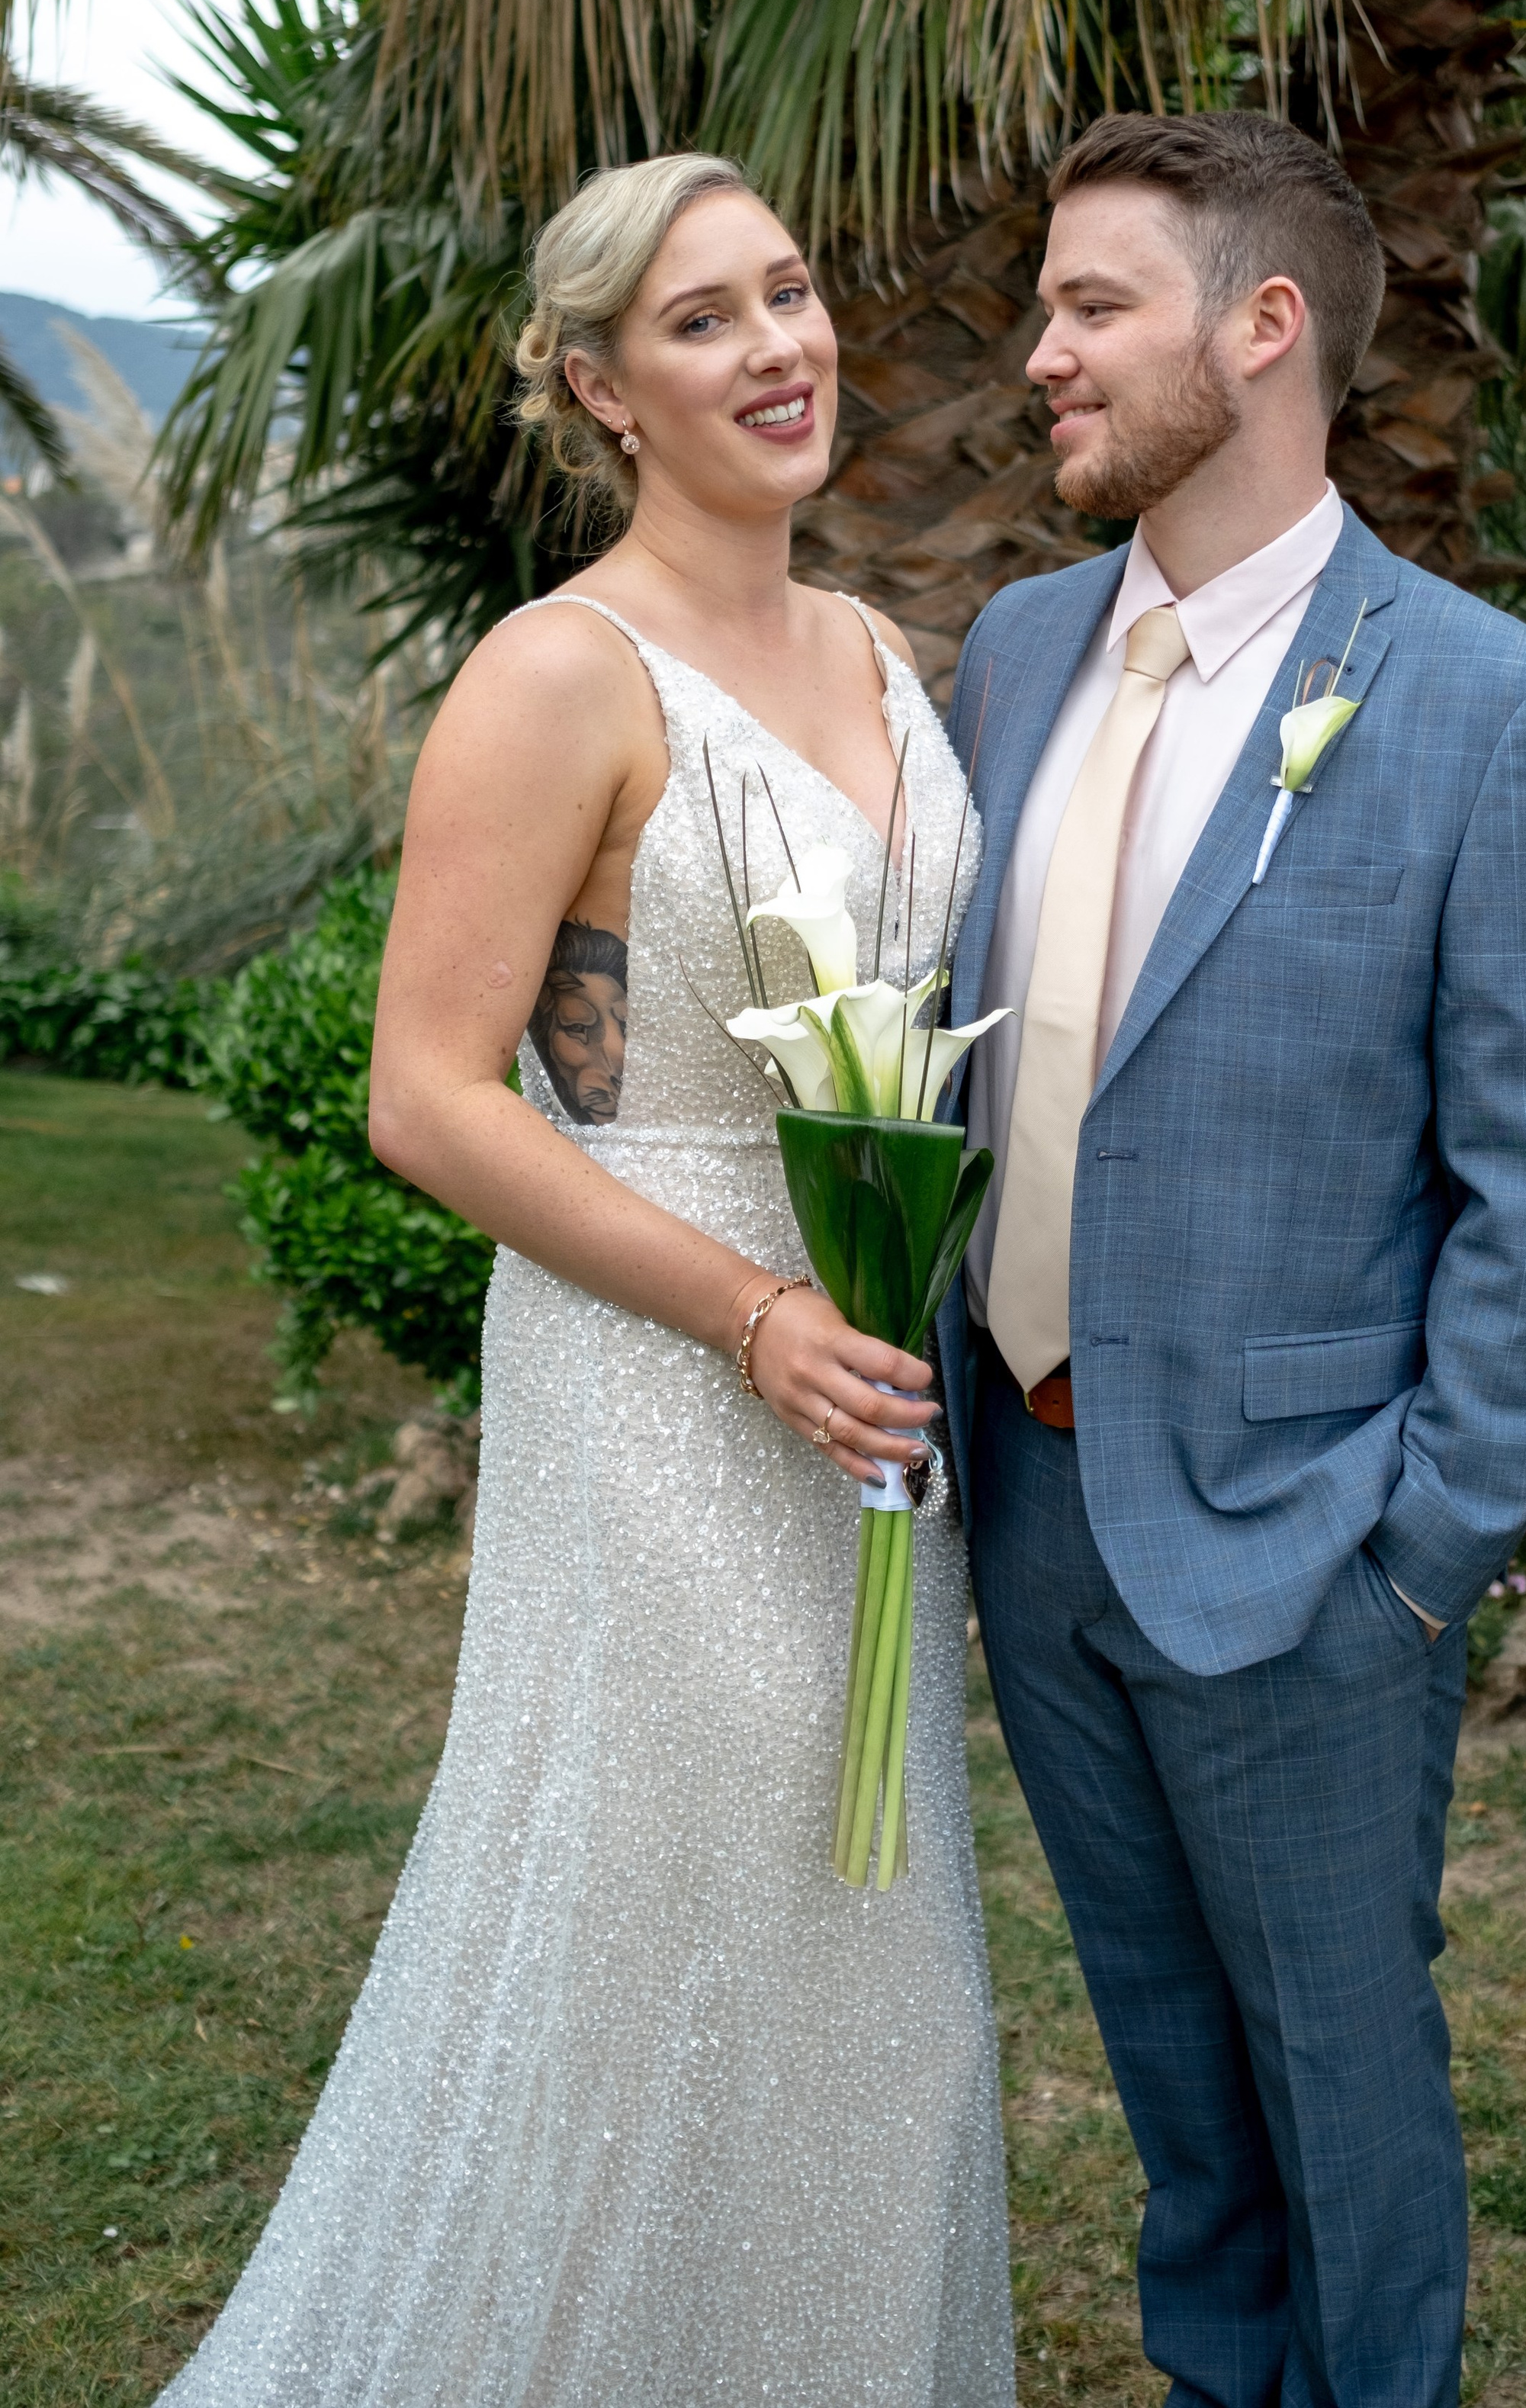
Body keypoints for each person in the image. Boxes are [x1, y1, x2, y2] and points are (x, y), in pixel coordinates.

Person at [157, 155, 1014, 2408]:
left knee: (867, 1954)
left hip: (869, 1381)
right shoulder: (557, 672)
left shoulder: (883, 653)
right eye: (703, 320)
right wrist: (750, 1312)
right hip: (664, 1388)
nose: (780, 347)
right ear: (603, 388)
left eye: (789, 292)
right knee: (659, 1932)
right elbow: (429, 1096)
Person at [939, 110, 1526, 2408]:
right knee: (1178, 2100)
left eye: (1091, 304)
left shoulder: (1495, 708)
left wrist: (1419, 1558)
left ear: (1261, 329)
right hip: (1032, 1500)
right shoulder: (1017, 650)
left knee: (1345, 2111)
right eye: (1046, 306)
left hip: (1312, 1548)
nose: (1040, 353)